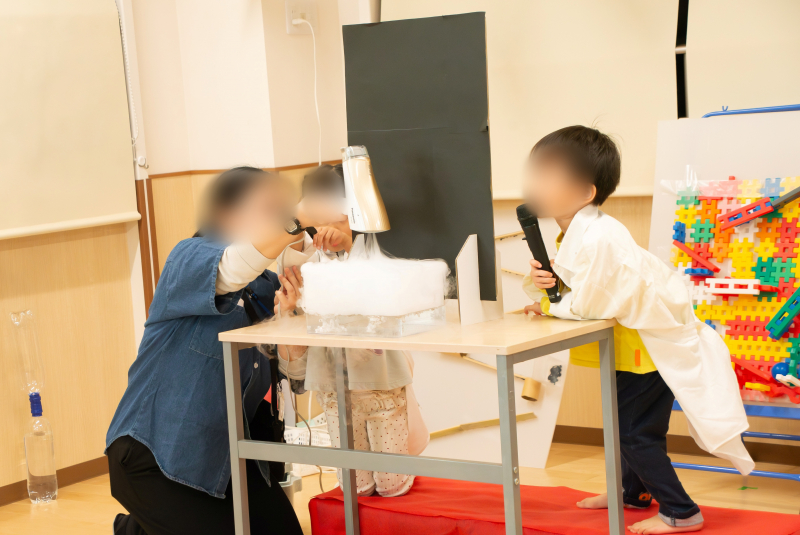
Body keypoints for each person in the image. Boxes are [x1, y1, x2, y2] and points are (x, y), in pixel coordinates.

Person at [521, 126, 754, 534]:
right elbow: (582, 291)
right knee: (626, 426)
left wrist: (550, 305)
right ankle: (633, 493)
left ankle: (682, 512)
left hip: (649, 349)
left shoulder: (600, 238)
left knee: (633, 433)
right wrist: (547, 290)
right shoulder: (577, 232)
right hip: (635, 346)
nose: (534, 185)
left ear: (583, 192)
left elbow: (594, 302)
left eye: (547, 176)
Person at [106, 166, 329, 535]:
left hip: (229, 459)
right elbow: (233, 267)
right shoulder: (188, 258)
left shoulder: (265, 286)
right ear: (226, 215)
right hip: (157, 456)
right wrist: (300, 219)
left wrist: (291, 320)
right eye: (270, 209)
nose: (281, 218)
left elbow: (295, 377)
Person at [273, 164, 428, 498]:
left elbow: (393, 299)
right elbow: (293, 358)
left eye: (336, 214)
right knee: (355, 487)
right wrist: (289, 311)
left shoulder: (375, 249)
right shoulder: (305, 262)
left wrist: (348, 246)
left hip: (381, 384)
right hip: (334, 390)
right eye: (316, 217)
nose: (326, 227)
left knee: (392, 483)